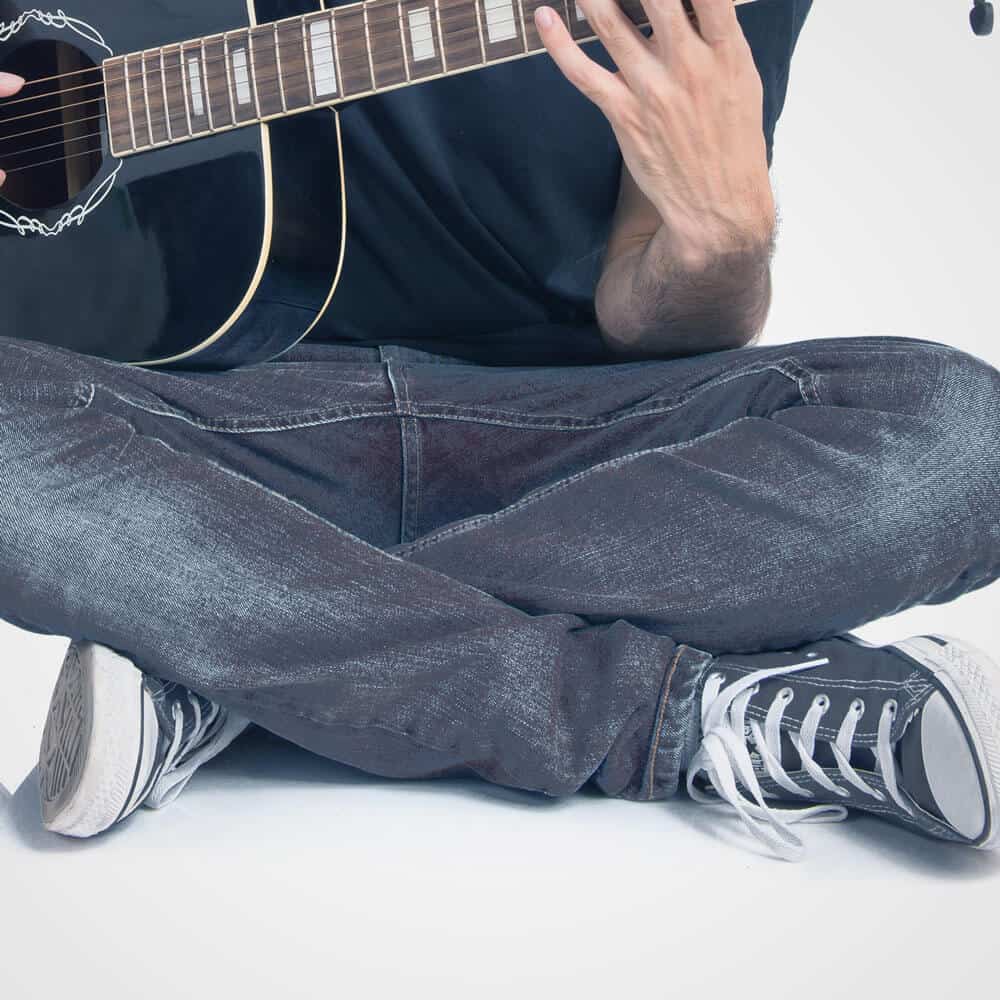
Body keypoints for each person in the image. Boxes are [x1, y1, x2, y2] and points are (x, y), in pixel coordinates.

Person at [1, 0, 997, 861]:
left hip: (573, 458)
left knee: (964, 434)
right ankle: (683, 715)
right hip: (216, 437)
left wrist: (719, 246)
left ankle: (229, 660)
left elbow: (659, 313)